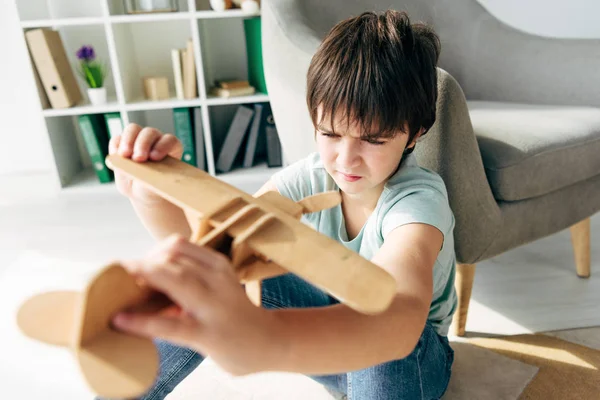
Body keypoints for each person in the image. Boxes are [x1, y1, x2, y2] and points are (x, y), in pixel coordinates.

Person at [104, 9, 456, 400]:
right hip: (328, 345)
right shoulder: (307, 178)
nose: (346, 159)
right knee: (212, 275)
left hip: (412, 358)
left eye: (373, 140)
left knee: (379, 319)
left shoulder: (418, 201)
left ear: (414, 134)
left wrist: (266, 340)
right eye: (330, 134)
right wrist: (149, 194)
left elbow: (401, 316)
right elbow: (213, 253)